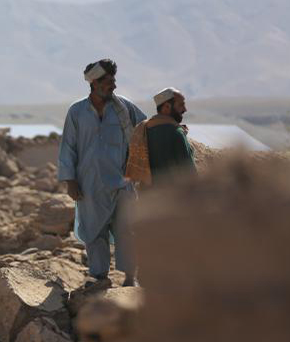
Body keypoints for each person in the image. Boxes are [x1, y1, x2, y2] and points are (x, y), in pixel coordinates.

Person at [58, 59, 147, 287]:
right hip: (89, 183)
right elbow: (68, 146)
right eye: (108, 81)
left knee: (126, 230)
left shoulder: (124, 108)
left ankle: (129, 278)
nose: (113, 85)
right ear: (94, 83)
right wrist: (70, 181)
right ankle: (99, 276)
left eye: (114, 80)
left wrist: (170, 126)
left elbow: (145, 128)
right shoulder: (77, 111)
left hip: (122, 182)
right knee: (93, 230)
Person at [125, 87, 197, 187]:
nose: (185, 109)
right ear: (167, 107)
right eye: (181, 105)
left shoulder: (142, 129)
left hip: (149, 197)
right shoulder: (176, 133)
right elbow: (190, 174)